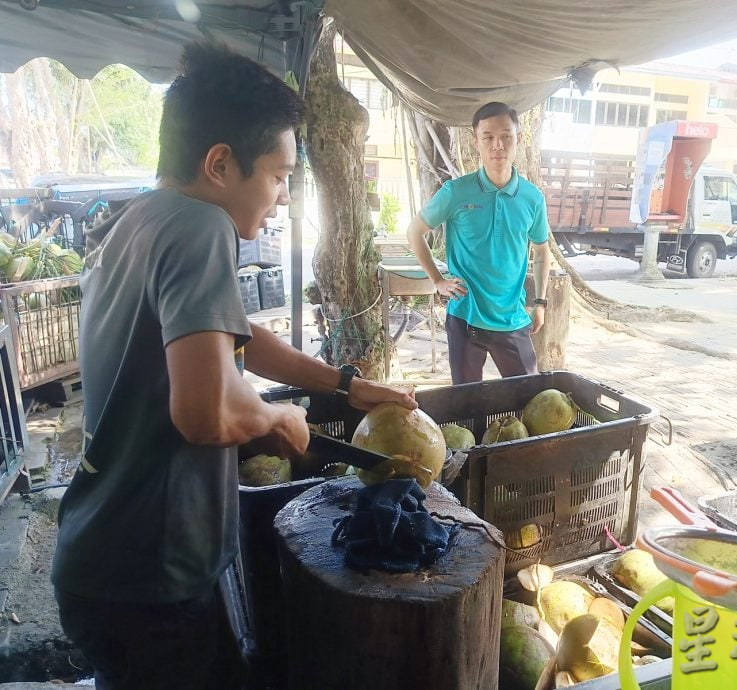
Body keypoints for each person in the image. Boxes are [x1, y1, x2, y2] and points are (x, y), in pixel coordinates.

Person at [50, 43, 416, 690]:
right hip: (150, 581)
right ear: (220, 163)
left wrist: (344, 383)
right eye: (278, 176)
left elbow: (241, 336)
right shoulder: (199, 228)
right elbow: (206, 411)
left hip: (104, 560)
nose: (281, 198)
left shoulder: (142, 219)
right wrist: (278, 417)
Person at [406, 102, 551, 384]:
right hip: (465, 316)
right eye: (488, 137)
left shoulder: (532, 198)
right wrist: (438, 281)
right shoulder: (455, 192)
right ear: (476, 142)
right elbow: (415, 232)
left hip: (512, 317)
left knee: (531, 397)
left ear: (518, 138)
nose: (498, 145)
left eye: (506, 136)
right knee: (466, 404)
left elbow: (542, 252)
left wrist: (541, 302)